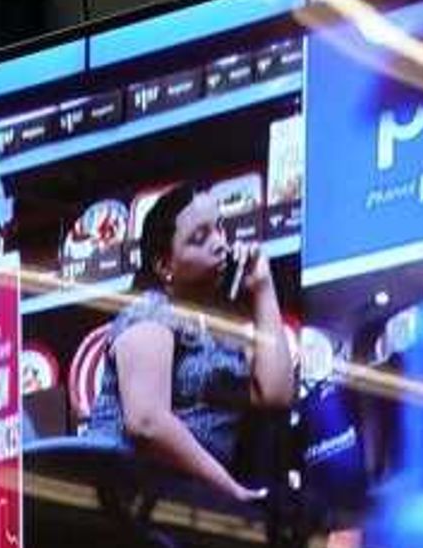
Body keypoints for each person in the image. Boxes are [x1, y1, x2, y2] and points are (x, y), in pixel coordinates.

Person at [79, 181, 296, 509]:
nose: (220, 244)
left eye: (220, 229)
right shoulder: (150, 311)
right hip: (127, 502)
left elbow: (276, 394)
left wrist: (263, 288)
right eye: (200, 238)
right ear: (165, 265)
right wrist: (231, 491)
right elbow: (147, 423)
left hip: (181, 503)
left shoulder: (222, 329)